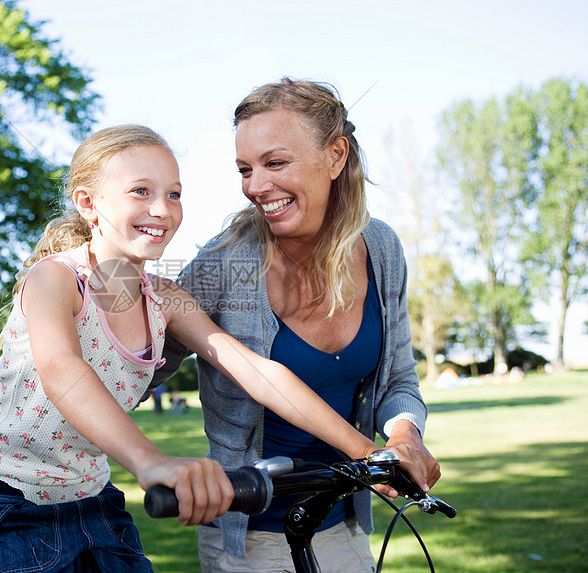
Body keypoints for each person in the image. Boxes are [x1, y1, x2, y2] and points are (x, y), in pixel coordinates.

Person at [0, 124, 403, 573]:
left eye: (174, 194)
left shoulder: (166, 300)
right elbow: (63, 373)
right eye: (140, 191)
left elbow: (257, 372)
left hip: (93, 496)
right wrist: (151, 462)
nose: (162, 209)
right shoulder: (56, 279)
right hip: (11, 501)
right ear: (88, 204)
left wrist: (367, 451)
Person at [154, 78, 442, 573]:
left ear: (335, 156)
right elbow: (142, 370)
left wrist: (404, 436)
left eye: (275, 162)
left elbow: (397, 379)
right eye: (245, 169)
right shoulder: (225, 264)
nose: (255, 186)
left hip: (342, 521)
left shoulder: (381, 250)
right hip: (249, 534)